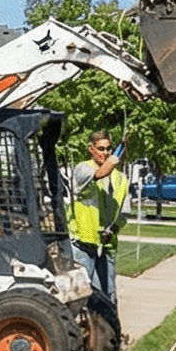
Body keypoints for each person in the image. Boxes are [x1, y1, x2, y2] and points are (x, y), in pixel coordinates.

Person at [64, 132, 128, 324]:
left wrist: (114, 229)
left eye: (109, 148)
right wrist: (119, 153)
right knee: (78, 297)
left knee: (107, 297)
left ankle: (105, 338)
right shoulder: (82, 169)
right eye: (101, 148)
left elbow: (123, 213)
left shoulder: (120, 179)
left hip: (105, 247)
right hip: (82, 245)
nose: (105, 153)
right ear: (91, 149)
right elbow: (101, 173)